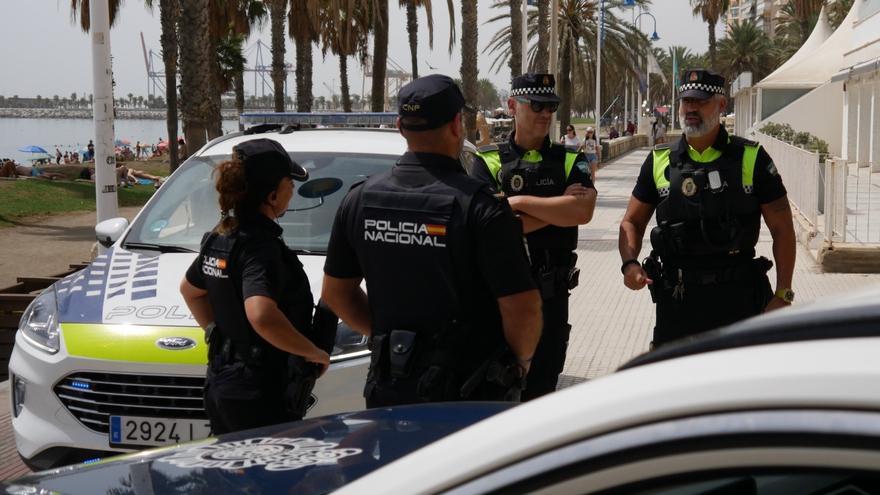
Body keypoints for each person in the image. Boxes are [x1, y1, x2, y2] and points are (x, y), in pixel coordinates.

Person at [321, 75, 543, 408]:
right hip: (468, 393)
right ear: (457, 125)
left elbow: (336, 294)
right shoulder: (481, 207)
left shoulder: (359, 200)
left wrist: (387, 337)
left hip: (390, 385)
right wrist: (520, 363)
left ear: (399, 126)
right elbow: (522, 309)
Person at [618, 69, 796, 348]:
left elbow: (783, 229)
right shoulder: (659, 160)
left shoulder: (751, 158)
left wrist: (783, 293)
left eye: (700, 101)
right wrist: (629, 264)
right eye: (686, 100)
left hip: (739, 300)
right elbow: (632, 222)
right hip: (678, 303)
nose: (691, 108)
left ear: (721, 105)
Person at [179, 138, 331, 434]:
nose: (294, 190)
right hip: (259, 391)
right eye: (289, 183)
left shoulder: (220, 237)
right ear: (272, 196)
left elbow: (191, 291)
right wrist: (312, 352)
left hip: (222, 383)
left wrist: (219, 334)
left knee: (232, 473)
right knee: (267, 478)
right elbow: (260, 314)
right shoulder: (260, 248)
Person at [471, 73, 597, 401]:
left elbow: (582, 213)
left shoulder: (571, 159)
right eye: (537, 105)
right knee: (493, 398)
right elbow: (487, 228)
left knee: (541, 394)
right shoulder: (488, 161)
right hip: (497, 300)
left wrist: (517, 204)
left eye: (551, 106)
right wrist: (556, 211)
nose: (545, 113)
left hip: (551, 299)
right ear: (513, 106)